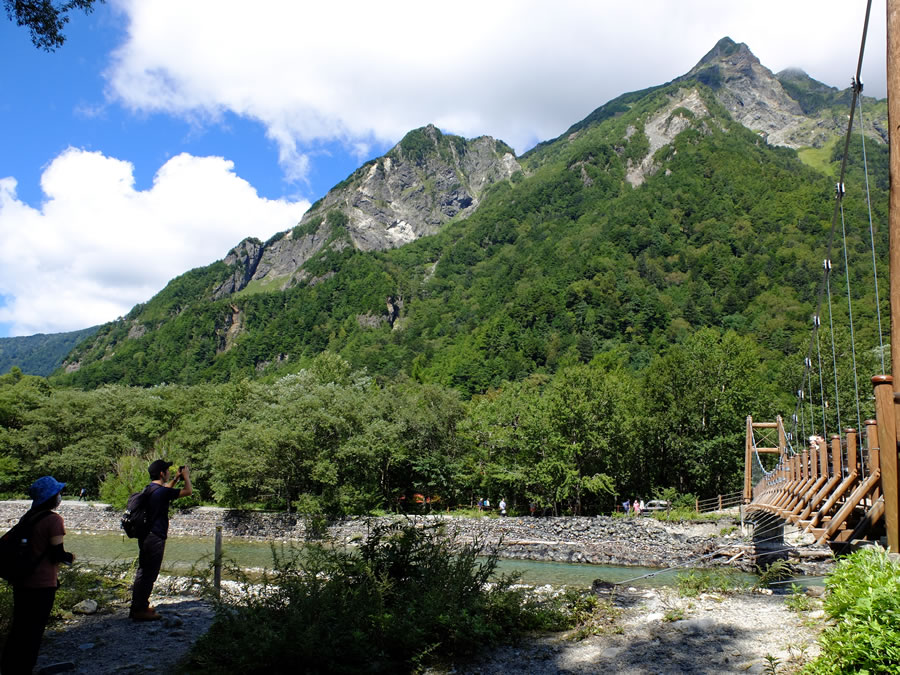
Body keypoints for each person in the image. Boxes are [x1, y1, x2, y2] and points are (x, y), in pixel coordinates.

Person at [1, 476, 75, 674]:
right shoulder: (54, 520)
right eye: (58, 493)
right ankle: (25, 669)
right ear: (52, 497)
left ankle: (10, 668)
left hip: (21, 580)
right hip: (42, 583)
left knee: (19, 627)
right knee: (34, 631)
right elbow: (57, 554)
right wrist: (71, 557)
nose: (60, 497)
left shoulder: (29, 516)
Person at [129, 459, 192, 621]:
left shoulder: (150, 489)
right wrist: (186, 477)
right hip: (155, 537)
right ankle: (140, 610)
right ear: (162, 473)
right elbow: (188, 491)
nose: (170, 472)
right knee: (150, 573)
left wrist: (176, 478)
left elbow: (165, 490)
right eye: (167, 470)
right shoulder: (161, 492)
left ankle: (138, 605)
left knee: (143, 571)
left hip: (145, 536)